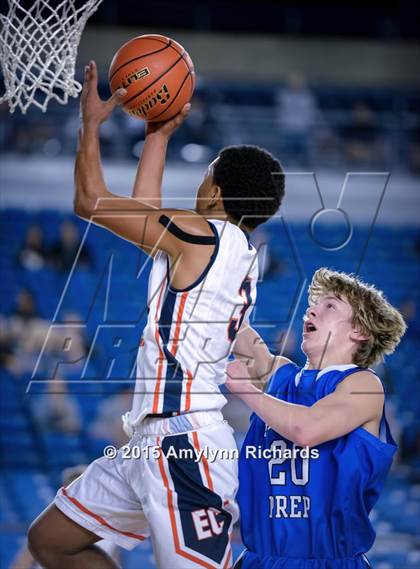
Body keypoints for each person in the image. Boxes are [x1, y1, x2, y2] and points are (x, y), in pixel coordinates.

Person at [28, 60, 285, 569]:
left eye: (206, 173)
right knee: (51, 540)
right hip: (152, 439)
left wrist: (91, 125)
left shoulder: (201, 236)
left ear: (214, 190)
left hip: (185, 445)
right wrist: (158, 133)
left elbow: (90, 200)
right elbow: (146, 211)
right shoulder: (229, 252)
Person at [226, 268, 406, 569]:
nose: (312, 309)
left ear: (359, 331)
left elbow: (305, 429)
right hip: (259, 558)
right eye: (315, 304)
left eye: (330, 305)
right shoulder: (282, 373)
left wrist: (246, 390)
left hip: (325, 562)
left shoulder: (364, 385)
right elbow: (233, 327)